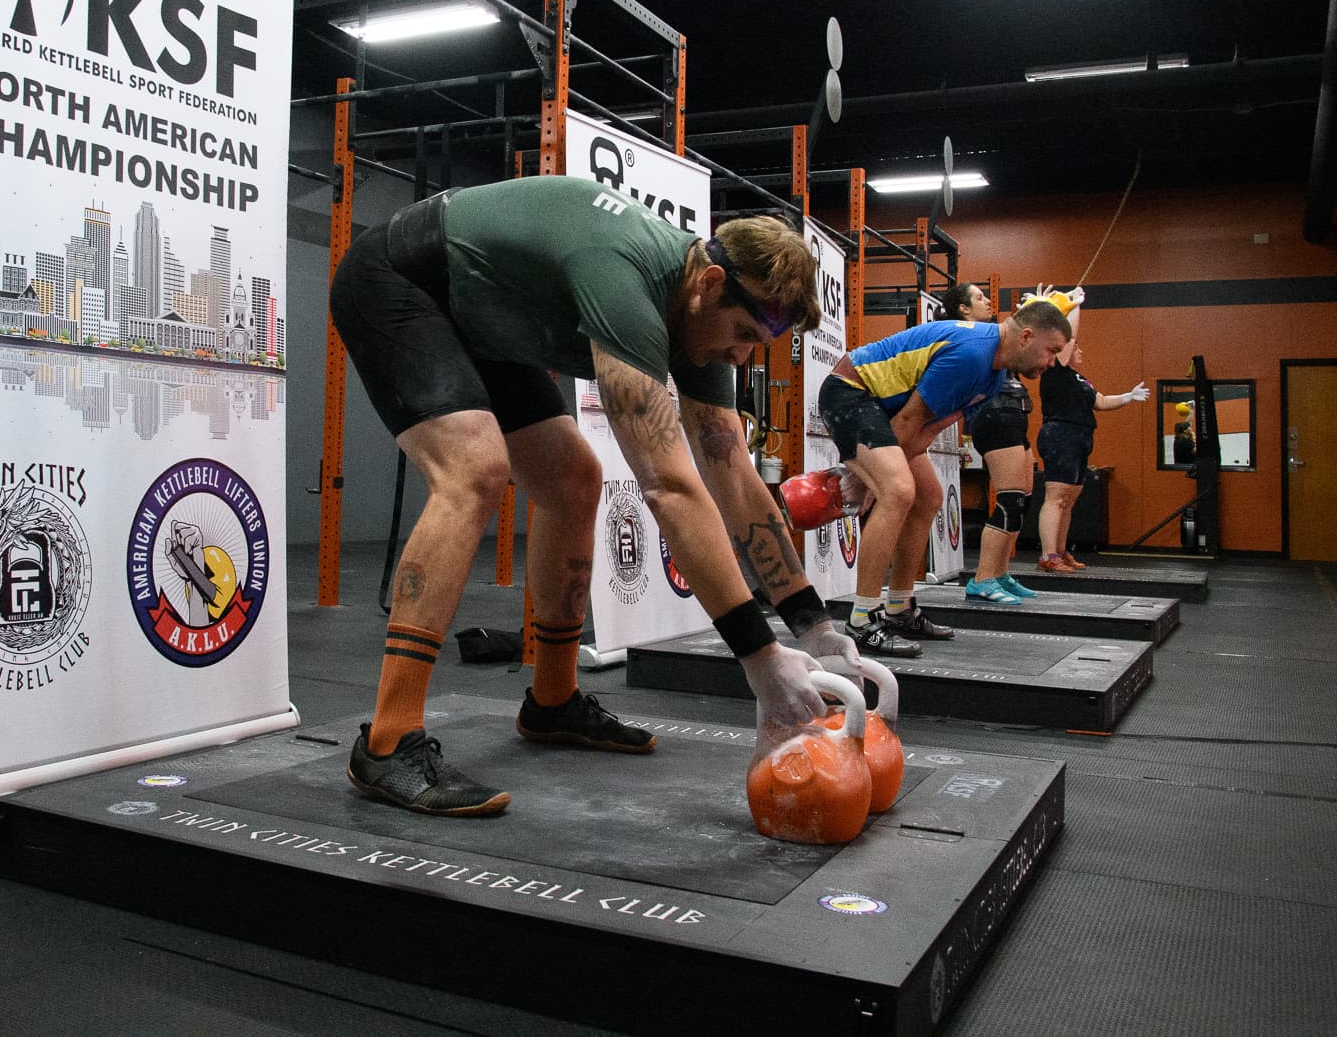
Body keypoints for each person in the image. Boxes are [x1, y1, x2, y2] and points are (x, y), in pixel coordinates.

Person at [328, 175, 857, 817]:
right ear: (710, 286)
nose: (742, 356)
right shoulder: (628, 279)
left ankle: (553, 701)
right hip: (397, 282)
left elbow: (734, 479)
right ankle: (386, 740)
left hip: (481, 317)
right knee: (473, 470)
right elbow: (670, 488)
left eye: (756, 344)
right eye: (743, 333)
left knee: (574, 479)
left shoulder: (704, 314)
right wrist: (760, 655)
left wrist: (814, 625)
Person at [814, 299, 1072, 655]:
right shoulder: (972, 355)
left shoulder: (994, 377)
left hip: (884, 412)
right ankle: (861, 619)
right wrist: (869, 480)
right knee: (898, 491)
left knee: (928, 497)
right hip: (851, 393)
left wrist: (870, 475)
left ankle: (899, 608)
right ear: (1026, 336)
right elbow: (906, 421)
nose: (1052, 362)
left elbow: (927, 429)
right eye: (1051, 351)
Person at [936, 283, 1042, 606]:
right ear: (964, 309)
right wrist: (1034, 310)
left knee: (1022, 498)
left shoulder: (996, 334)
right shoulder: (973, 335)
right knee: (1009, 500)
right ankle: (982, 579)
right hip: (993, 415)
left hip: (1014, 411)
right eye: (979, 297)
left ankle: (999, 573)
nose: (987, 301)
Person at [1034, 287, 1149, 572]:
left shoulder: (1079, 379)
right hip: (1060, 435)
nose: (1080, 351)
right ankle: (1048, 556)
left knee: (1069, 500)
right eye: (1076, 349)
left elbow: (1100, 402)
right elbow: (1070, 337)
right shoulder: (1055, 367)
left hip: (1080, 437)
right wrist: (1075, 304)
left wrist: (1128, 397)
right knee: (1057, 496)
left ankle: (1061, 552)